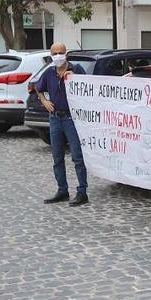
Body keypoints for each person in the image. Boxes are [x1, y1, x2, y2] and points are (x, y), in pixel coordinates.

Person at [36, 43, 89, 206]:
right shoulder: (49, 72)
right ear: (51, 55)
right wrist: (44, 101)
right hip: (55, 118)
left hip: (71, 118)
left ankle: (82, 192)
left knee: (77, 157)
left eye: (61, 52)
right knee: (57, 156)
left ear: (66, 54)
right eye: (55, 53)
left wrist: (74, 78)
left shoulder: (77, 68)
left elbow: (88, 88)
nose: (58, 55)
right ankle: (62, 190)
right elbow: (38, 88)